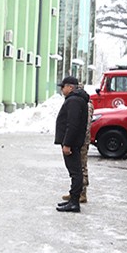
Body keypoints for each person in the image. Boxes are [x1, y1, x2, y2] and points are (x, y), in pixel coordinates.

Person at [54, 76, 89, 213]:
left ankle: (74, 202)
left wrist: (67, 143)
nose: (62, 90)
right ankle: (73, 199)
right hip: (74, 141)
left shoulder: (74, 100)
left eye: (63, 87)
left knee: (75, 172)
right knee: (75, 171)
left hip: (72, 143)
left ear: (70, 87)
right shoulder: (77, 99)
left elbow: (72, 124)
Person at [63, 87, 94, 204]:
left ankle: (81, 193)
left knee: (81, 166)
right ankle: (75, 192)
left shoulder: (85, 103)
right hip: (80, 138)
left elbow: (84, 124)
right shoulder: (81, 102)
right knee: (78, 166)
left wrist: (77, 140)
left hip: (82, 140)